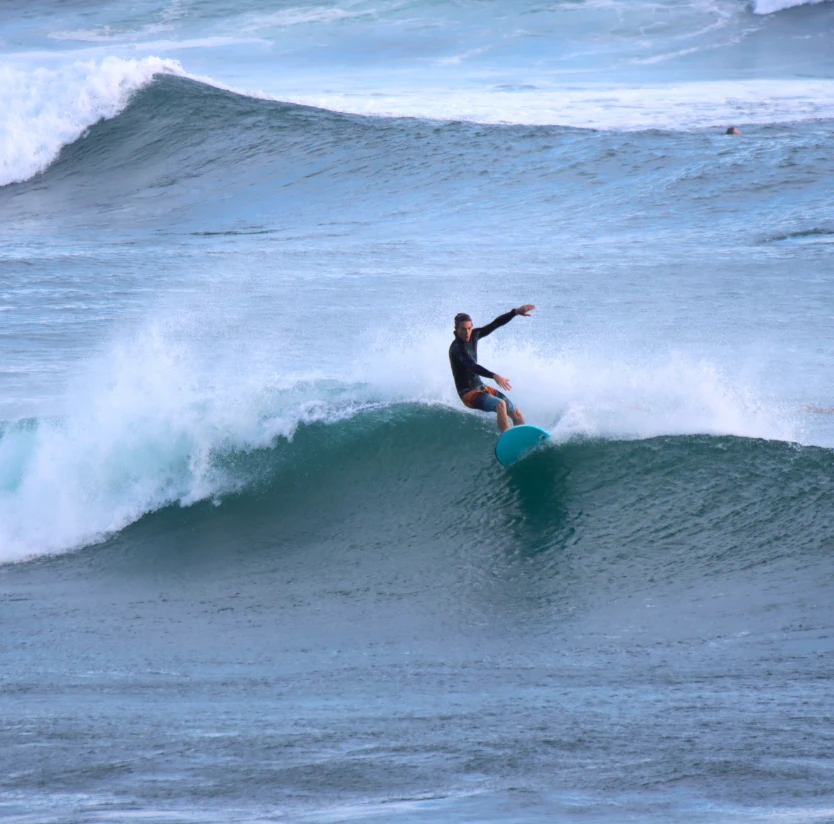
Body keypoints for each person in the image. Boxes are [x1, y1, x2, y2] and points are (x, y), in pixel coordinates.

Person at [449, 304, 535, 432]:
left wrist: (515, 312)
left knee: (516, 413)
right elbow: (472, 366)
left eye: (469, 328)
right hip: (467, 393)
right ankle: (507, 440)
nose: (467, 333)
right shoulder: (457, 349)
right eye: (463, 329)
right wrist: (494, 376)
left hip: (481, 387)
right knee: (500, 404)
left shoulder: (474, 335)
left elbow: (495, 324)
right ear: (456, 330)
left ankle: (523, 438)